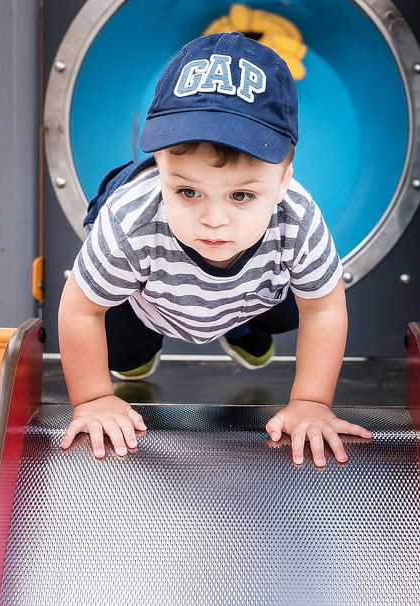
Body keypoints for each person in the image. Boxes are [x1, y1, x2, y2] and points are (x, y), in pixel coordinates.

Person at [58, 31, 372, 466]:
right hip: (147, 300)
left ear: (284, 181)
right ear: (159, 167)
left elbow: (324, 308)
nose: (214, 220)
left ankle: (241, 326)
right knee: (121, 349)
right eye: (187, 191)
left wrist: (312, 403)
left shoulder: (297, 218)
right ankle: (140, 351)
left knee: (290, 310)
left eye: (241, 195)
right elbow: (80, 308)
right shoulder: (132, 219)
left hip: (251, 294)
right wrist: (92, 400)